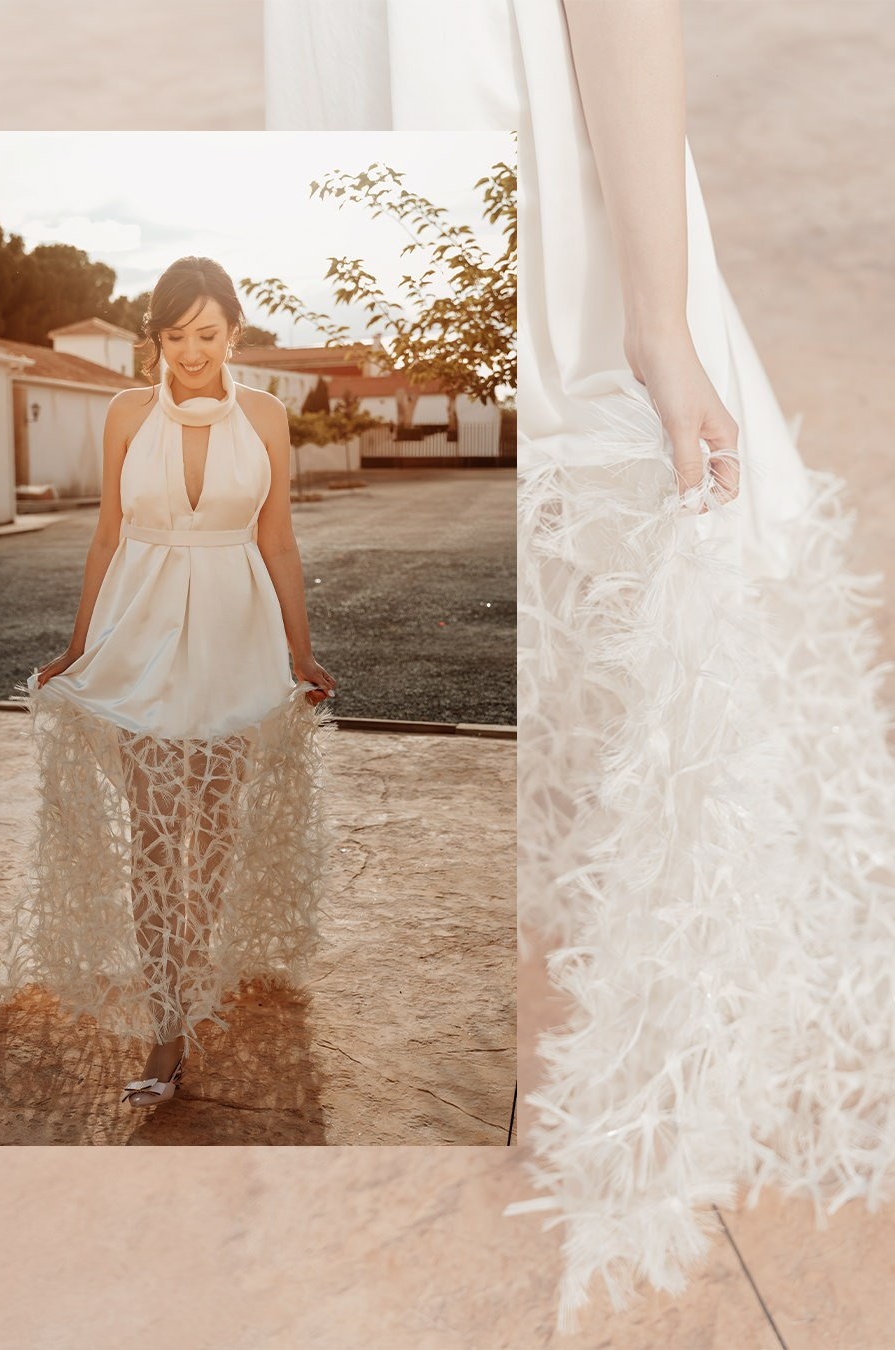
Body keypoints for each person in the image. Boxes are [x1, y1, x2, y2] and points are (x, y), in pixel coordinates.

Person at [265, 0, 895, 1332]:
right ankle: (588, 1005)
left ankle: (673, 1060)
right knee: (569, 624)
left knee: (650, 611)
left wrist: (659, 320)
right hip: (404, 143)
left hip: (524, 162)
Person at [0, 256, 336, 1109]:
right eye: (177, 334)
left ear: (235, 332)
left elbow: (280, 543)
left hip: (235, 638)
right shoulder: (122, 414)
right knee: (155, 838)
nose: (193, 352)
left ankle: (195, 975)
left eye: (209, 334)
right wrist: (79, 646)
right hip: (140, 637)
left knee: (214, 833)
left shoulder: (265, 415)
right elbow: (107, 537)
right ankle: (167, 1024)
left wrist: (300, 653)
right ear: (156, 337)